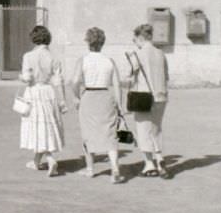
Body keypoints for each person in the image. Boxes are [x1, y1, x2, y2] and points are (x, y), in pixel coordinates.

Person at [71, 27, 126, 184]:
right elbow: (117, 84)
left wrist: (76, 96)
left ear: (88, 42)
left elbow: (74, 81)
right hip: (105, 97)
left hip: (88, 96)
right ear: (103, 43)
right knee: (110, 133)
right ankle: (115, 169)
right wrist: (119, 104)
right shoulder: (109, 61)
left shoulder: (82, 60)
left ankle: (90, 169)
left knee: (88, 134)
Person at [19, 25, 67, 177]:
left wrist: (21, 77)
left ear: (34, 39)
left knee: (38, 127)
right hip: (48, 92)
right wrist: (63, 101)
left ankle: (50, 159)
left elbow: (27, 78)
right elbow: (58, 81)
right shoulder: (53, 57)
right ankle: (37, 161)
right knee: (47, 126)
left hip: (34, 92)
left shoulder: (28, 56)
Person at [128, 23, 170, 178]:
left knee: (143, 130)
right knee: (156, 129)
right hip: (161, 96)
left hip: (143, 96)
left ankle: (149, 164)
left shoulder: (136, 54)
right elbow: (166, 77)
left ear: (140, 38)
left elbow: (131, 77)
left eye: (134, 40)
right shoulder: (161, 53)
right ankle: (159, 157)